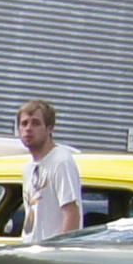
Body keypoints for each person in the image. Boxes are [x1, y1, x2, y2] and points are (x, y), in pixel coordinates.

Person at [17, 94, 84, 240]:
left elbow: (71, 213)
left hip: (50, 255)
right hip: (32, 252)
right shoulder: (29, 168)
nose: (28, 129)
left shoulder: (61, 162)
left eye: (35, 123)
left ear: (49, 129)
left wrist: (59, 253)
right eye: (24, 123)